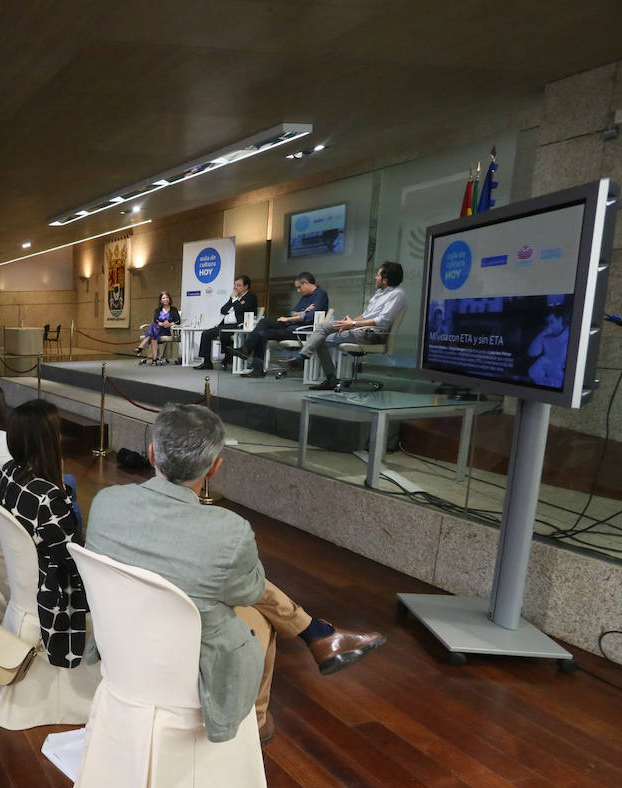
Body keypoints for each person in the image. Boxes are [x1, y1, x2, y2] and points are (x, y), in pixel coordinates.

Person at [85, 404, 387, 744]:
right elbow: (250, 591)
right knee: (262, 618)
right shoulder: (228, 530)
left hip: (120, 642)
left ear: (153, 454)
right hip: (188, 659)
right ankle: (256, 721)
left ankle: (318, 634)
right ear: (215, 468)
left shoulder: (106, 502)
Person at [0, 400, 91, 668]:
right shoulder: (49, 499)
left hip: (25, 579)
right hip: (53, 591)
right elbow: (75, 564)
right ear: (49, 440)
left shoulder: (7, 473)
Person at [295, 262, 408, 390]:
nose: (376, 278)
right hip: (362, 329)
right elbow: (366, 315)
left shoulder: (397, 294)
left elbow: (382, 321)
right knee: (322, 327)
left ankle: (328, 377)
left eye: (378, 275)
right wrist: (350, 323)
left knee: (321, 339)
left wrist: (353, 324)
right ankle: (301, 358)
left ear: (385, 280)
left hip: (373, 334)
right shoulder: (380, 293)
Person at [224, 272, 330, 377]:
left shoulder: (320, 295)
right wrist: (301, 313)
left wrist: (291, 318)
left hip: (300, 331)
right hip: (290, 326)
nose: (298, 291)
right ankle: (248, 352)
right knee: (263, 323)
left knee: (262, 333)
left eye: (299, 287)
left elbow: (309, 317)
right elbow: (293, 312)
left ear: (306, 283)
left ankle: (251, 358)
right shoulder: (305, 297)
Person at [196, 276, 257, 370]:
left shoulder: (251, 297)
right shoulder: (234, 297)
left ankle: (229, 357)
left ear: (246, 286)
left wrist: (234, 300)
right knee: (206, 334)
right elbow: (223, 310)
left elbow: (240, 309)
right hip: (226, 325)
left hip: (240, 326)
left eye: (239, 285)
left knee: (224, 335)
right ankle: (207, 362)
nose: (236, 287)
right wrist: (234, 301)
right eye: (235, 285)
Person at [528, 303, 570, 388]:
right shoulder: (545, 336)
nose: (549, 326)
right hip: (546, 374)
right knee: (539, 363)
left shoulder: (570, 333)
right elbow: (532, 353)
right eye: (547, 323)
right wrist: (541, 335)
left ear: (560, 320)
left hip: (563, 375)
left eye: (551, 322)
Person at [134, 291, 180, 366]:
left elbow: (178, 321)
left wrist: (169, 324)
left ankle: (141, 347)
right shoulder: (158, 310)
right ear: (161, 300)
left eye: (167, 297)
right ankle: (154, 360)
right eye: (163, 298)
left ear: (169, 299)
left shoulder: (174, 309)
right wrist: (162, 324)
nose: (165, 299)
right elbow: (155, 320)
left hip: (168, 330)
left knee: (152, 327)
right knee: (153, 333)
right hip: (159, 329)